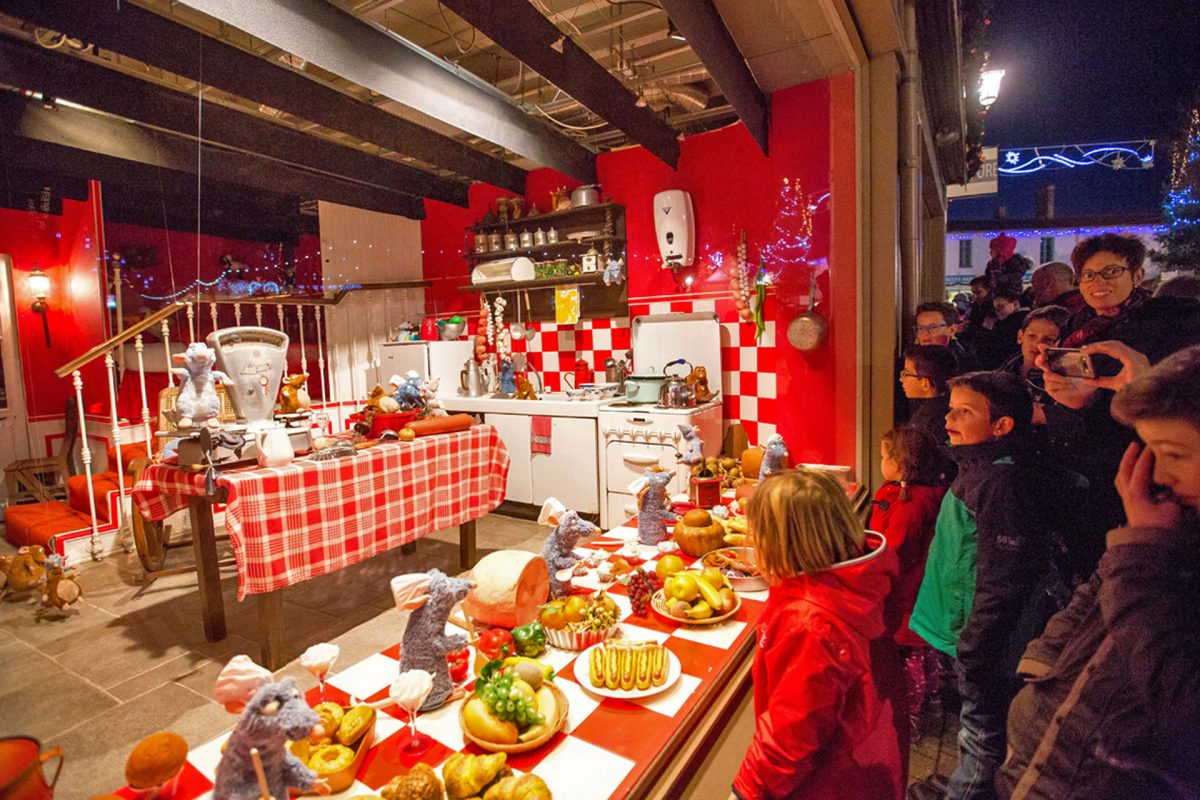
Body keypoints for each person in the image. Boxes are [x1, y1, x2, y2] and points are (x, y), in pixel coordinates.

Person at [997, 345, 1200, 799]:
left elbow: (1185, 700)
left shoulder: (1155, 546)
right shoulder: (1168, 525)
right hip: (1048, 767)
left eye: (1173, 453)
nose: (1156, 474)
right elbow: (1098, 589)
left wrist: (1143, 555)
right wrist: (1042, 669)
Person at [909, 372, 1073, 800]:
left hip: (980, 640)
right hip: (965, 632)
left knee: (982, 737)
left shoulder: (997, 483)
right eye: (950, 409)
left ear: (1002, 426)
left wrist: (975, 646)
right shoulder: (978, 470)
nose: (948, 419)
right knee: (974, 727)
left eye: (965, 412)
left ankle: (968, 791)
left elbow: (1003, 579)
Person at [732, 469, 902, 800]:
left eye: (757, 539)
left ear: (781, 545)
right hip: (870, 752)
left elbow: (790, 733)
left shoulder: (809, 624)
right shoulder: (862, 577)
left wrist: (746, 791)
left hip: (832, 780)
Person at [1037, 233, 1200, 578]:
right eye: (1089, 275)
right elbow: (1072, 410)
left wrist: (1147, 383)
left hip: (1142, 471)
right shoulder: (1078, 328)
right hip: (1084, 473)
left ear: (1137, 276)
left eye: (1111, 272)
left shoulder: (1175, 326)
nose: (1098, 283)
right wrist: (1068, 403)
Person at [871, 427, 950, 769]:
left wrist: (869, 566)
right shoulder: (916, 493)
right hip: (916, 592)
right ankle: (932, 695)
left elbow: (895, 552)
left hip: (906, 594)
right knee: (923, 649)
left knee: (909, 653)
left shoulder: (910, 505)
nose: (881, 462)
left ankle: (909, 713)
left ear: (901, 464)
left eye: (884, 456)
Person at [999, 306, 1070, 409]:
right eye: (1032, 336)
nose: (1038, 344)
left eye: (1049, 339)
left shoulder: (1061, 381)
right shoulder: (1005, 369)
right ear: (1020, 336)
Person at [900, 345, 958, 444]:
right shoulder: (949, 406)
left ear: (925, 383)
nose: (901, 379)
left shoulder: (927, 425)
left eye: (906, 374)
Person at [915, 301, 978, 373]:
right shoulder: (912, 358)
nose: (925, 333)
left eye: (933, 327)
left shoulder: (963, 360)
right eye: (921, 328)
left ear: (952, 330)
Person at [975, 288, 1029, 369]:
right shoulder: (1026, 319)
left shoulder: (1010, 323)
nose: (997, 311)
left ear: (1015, 304)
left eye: (1001, 306)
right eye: (995, 308)